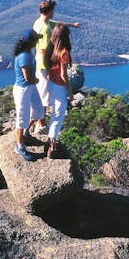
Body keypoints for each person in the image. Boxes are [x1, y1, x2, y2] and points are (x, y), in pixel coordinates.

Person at [31, 0, 79, 134]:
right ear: (50, 11)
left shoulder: (39, 21)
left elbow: (58, 24)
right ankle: (40, 124)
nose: (54, 13)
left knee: (44, 93)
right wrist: (50, 67)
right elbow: (44, 51)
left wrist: (72, 25)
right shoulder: (45, 29)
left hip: (40, 62)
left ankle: (40, 122)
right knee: (43, 94)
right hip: (43, 65)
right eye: (53, 10)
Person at [12, 28, 42, 161]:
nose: (37, 41)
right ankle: (19, 146)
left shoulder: (28, 52)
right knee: (22, 118)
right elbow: (27, 78)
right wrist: (37, 80)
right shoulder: (24, 56)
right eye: (36, 40)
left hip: (30, 88)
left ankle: (26, 134)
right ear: (30, 42)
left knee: (38, 111)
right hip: (23, 89)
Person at [44, 24, 73, 158]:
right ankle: (52, 146)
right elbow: (63, 75)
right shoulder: (64, 52)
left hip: (50, 83)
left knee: (54, 113)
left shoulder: (52, 49)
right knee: (59, 115)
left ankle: (50, 140)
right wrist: (70, 91)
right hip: (59, 86)